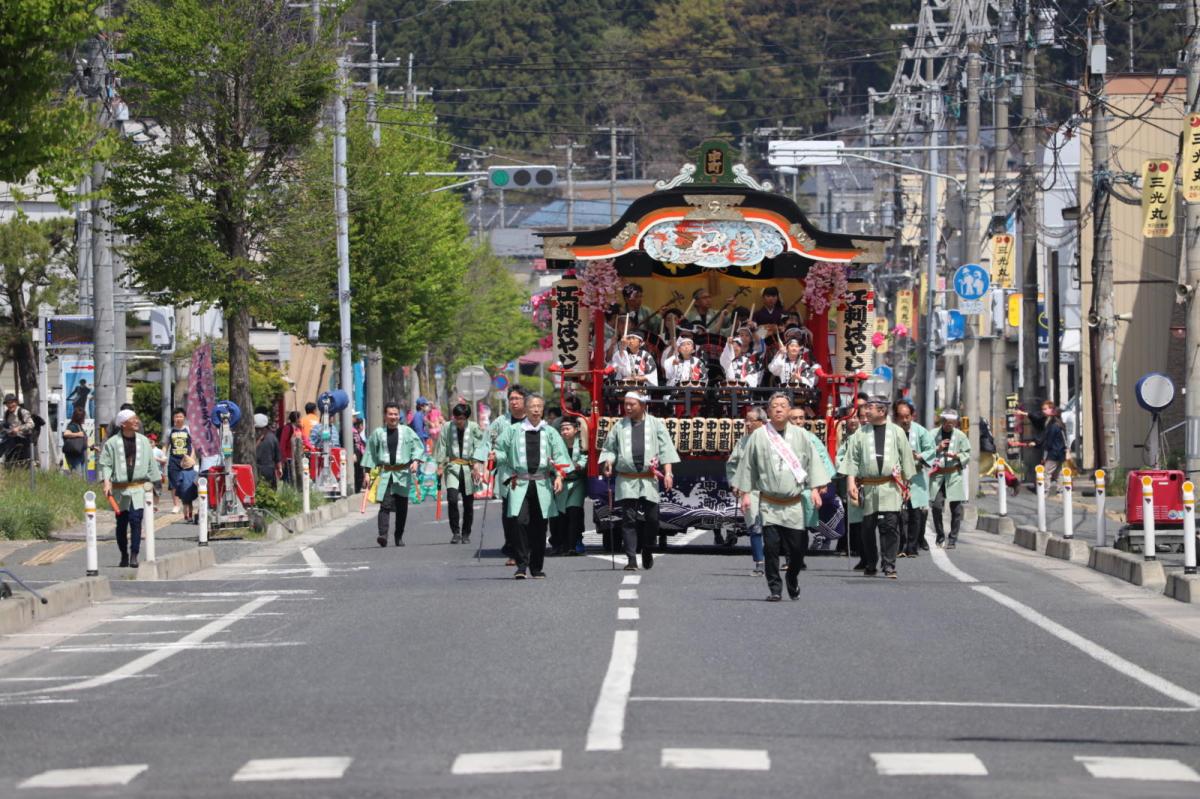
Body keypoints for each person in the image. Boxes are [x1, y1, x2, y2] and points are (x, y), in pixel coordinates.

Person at [732, 393, 831, 602]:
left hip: (794, 503)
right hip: (769, 503)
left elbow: (813, 462)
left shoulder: (802, 435)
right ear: (768, 411)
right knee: (771, 548)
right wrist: (746, 493)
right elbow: (748, 466)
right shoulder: (759, 436)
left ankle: (792, 577)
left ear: (789, 411)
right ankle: (775, 588)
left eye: (783, 406)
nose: (778, 409)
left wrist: (814, 489)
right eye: (774, 406)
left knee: (797, 549)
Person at [598, 391, 680, 571]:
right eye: (625, 404)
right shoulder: (619, 426)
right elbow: (610, 448)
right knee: (628, 520)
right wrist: (609, 462)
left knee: (652, 519)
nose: (627, 407)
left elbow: (666, 450)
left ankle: (648, 548)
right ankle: (631, 559)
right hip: (627, 479)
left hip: (648, 478)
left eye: (631, 404)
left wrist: (668, 473)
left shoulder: (656, 424)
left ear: (643, 406)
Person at [492, 395, 569, 579]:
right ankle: (521, 564)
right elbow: (500, 450)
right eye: (532, 406)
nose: (536, 410)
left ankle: (536, 567)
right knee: (518, 521)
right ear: (525, 410)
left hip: (542, 483)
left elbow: (560, 457)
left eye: (539, 406)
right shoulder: (513, 430)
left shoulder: (550, 432)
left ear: (542, 410)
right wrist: (495, 457)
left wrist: (559, 475)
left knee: (540, 526)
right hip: (519, 482)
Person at [841, 394, 916, 579]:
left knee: (890, 527)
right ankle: (870, 562)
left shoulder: (897, 432)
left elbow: (906, 458)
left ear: (881, 410)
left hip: (890, 486)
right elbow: (852, 459)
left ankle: (889, 565)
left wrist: (907, 485)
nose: (866, 411)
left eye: (870, 408)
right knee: (867, 528)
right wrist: (851, 481)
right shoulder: (860, 433)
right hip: (868, 487)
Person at [98, 410, 161, 568]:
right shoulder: (112, 443)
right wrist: (106, 481)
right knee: (121, 524)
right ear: (123, 423)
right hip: (120, 491)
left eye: (136, 419)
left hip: (139, 488)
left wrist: (156, 484)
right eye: (132, 419)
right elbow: (106, 464)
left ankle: (134, 554)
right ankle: (124, 554)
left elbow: (151, 464)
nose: (136, 422)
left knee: (136, 521)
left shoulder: (144, 441)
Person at [361, 402, 426, 548]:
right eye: (390, 414)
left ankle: (399, 536)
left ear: (399, 416)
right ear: (385, 416)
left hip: (402, 473)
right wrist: (367, 473)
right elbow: (370, 453)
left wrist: (415, 461)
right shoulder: (378, 433)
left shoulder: (407, 432)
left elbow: (418, 447)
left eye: (395, 414)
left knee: (402, 507)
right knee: (385, 505)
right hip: (386, 473)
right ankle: (383, 535)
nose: (393, 417)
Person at [433, 402, 487, 545]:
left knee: (468, 503)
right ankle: (455, 532)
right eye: (457, 418)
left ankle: (466, 532)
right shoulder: (447, 427)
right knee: (452, 499)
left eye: (462, 418)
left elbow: (480, 445)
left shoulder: (474, 427)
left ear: (467, 418)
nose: (459, 421)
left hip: (470, 469)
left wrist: (477, 465)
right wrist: (439, 465)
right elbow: (442, 445)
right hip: (453, 467)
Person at [487, 385, 530, 564]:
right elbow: (488, 443)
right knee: (509, 514)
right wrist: (485, 462)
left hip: (529, 474)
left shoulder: (532, 421)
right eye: (511, 399)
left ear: (524, 401)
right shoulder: (500, 422)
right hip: (507, 474)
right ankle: (513, 549)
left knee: (527, 514)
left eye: (517, 398)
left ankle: (527, 548)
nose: (513, 402)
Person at [727, 406, 767, 574]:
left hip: (773, 490)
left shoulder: (774, 439)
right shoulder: (743, 441)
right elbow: (732, 464)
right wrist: (735, 484)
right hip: (751, 490)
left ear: (763, 422)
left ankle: (784, 560)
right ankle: (759, 562)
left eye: (752, 421)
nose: (748, 424)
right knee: (755, 526)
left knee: (776, 527)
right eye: (746, 420)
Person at [893, 400, 936, 557]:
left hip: (916, 477)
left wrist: (919, 456)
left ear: (912, 416)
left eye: (907, 416)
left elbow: (930, 450)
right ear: (896, 417)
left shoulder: (921, 432)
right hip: (896, 476)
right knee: (895, 514)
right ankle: (898, 546)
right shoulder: (891, 431)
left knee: (915, 513)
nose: (904, 420)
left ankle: (912, 546)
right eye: (901, 417)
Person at [928, 409, 972, 549]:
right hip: (938, 475)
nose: (949, 425)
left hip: (954, 475)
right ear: (942, 422)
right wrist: (937, 449)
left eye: (952, 423)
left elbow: (967, 453)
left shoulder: (960, 436)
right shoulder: (933, 434)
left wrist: (957, 456)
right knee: (936, 506)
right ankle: (940, 535)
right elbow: (926, 452)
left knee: (956, 509)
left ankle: (953, 538)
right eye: (947, 422)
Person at [550, 415, 588, 556]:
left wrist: (580, 465)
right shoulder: (557, 443)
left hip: (577, 482)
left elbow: (586, 456)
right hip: (561, 482)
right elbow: (552, 460)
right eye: (562, 429)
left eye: (567, 428)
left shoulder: (582, 443)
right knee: (560, 516)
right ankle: (560, 544)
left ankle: (572, 545)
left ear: (576, 429)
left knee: (574, 512)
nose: (564, 432)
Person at [837, 407, 867, 566]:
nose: (854, 420)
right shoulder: (844, 436)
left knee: (869, 520)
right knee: (850, 515)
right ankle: (852, 547)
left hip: (871, 481)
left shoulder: (869, 434)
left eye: (857, 417)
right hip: (850, 481)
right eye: (850, 417)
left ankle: (869, 554)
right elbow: (840, 457)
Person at [1013, 400, 1066, 490]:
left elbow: (1048, 439)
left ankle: (1044, 490)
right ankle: (1060, 491)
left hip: (1054, 452)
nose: (1043, 411)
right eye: (1043, 409)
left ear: (1052, 410)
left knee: (1046, 472)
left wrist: (1038, 444)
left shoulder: (1053, 424)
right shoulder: (1056, 421)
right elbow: (1035, 417)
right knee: (1058, 473)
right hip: (1060, 452)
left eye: (1046, 409)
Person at [1, 393, 35, 464]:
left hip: (24, 441)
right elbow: (4, 426)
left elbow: (31, 424)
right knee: (9, 462)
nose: (10, 405)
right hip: (11, 441)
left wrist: (19, 428)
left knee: (25, 464)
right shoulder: (6, 414)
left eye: (12, 402)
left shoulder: (23, 412)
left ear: (16, 402)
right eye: (8, 403)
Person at [254, 413, 281, 489]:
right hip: (269, 469)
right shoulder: (273, 438)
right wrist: (280, 469)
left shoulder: (251, 438)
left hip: (255, 469)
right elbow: (277, 457)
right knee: (270, 491)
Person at [61, 405, 89, 475]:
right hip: (74, 456)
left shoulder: (79, 426)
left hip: (81, 455)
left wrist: (91, 447)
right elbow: (66, 434)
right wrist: (78, 434)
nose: (84, 419)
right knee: (77, 475)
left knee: (82, 476)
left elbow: (81, 441)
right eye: (83, 417)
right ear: (79, 418)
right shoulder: (72, 425)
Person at [280, 410, 303, 485]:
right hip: (288, 457)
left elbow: (304, 439)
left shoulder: (298, 428)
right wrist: (283, 457)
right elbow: (282, 443)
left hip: (297, 456)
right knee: (288, 477)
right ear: (296, 419)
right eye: (300, 418)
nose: (301, 420)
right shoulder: (287, 428)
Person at [352, 415, 367, 494]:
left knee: (359, 475)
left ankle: (357, 489)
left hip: (359, 458)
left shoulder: (357, 433)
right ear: (360, 426)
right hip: (356, 457)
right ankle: (356, 490)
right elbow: (356, 446)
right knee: (358, 475)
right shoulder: (354, 433)